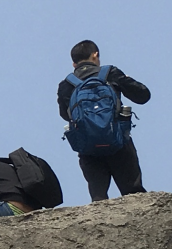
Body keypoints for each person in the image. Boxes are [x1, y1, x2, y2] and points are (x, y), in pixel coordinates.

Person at [58, 41, 151, 203]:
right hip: (118, 142)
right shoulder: (110, 73)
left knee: (98, 197)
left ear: (74, 63)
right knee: (133, 194)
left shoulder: (66, 84)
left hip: (88, 148)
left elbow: (65, 115)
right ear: (95, 55)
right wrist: (127, 81)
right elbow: (143, 96)